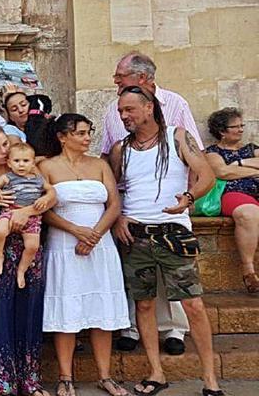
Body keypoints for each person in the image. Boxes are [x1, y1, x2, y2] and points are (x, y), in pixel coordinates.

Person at [109, 86, 223, 396]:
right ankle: (156, 372)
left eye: (129, 109)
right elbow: (112, 189)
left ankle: (210, 379)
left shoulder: (177, 136)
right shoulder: (121, 148)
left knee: (193, 305)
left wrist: (188, 197)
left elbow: (207, 175)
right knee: (144, 305)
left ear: (148, 108)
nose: (124, 116)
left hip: (174, 232)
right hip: (136, 235)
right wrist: (118, 217)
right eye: (121, 111)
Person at [101, 51, 200, 355]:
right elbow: (107, 159)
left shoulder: (176, 104)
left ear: (142, 78)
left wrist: (190, 198)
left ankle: (174, 330)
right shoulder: (111, 110)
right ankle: (131, 328)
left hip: (172, 208)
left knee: (176, 274)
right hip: (132, 210)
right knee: (136, 274)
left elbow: (196, 155)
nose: (115, 81)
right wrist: (115, 212)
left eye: (121, 76)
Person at [39, 114, 130, 396]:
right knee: (67, 308)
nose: (87, 138)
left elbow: (114, 204)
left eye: (88, 132)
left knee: (102, 308)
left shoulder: (100, 165)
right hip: (63, 245)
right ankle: (65, 377)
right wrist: (75, 230)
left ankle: (105, 375)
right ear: (62, 136)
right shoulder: (47, 166)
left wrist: (95, 234)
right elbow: (42, 208)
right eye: (80, 133)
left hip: (100, 245)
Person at [0, 123, 54, 396]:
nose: (4, 151)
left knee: (28, 308)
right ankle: (0, 380)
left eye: (5, 143)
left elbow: (50, 195)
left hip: (28, 243)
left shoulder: (26, 165)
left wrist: (27, 211)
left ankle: (30, 379)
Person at [205, 108, 259, 293]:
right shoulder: (212, 152)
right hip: (232, 194)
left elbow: (231, 170)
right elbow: (223, 172)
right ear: (222, 131)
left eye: (242, 125)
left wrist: (240, 164)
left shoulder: (251, 149)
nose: (241, 129)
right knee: (248, 213)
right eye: (235, 126)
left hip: (255, 193)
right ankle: (248, 270)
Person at [0, 143, 56, 287]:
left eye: (26, 161)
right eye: (17, 161)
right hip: (10, 212)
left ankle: (21, 270)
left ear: (33, 163)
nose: (21, 165)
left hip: (32, 217)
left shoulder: (39, 179)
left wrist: (45, 197)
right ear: (9, 163)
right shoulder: (8, 177)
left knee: (32, 246)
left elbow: (52, 191)